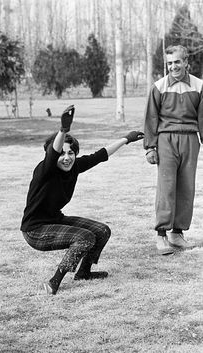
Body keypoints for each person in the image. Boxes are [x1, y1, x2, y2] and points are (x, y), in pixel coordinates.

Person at [20, 105, 144, 294]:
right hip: (35, 230)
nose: (66, 158)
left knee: (102, 231)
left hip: (55, 220)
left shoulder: (75, 166)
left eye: (71, 153)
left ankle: (84, 272)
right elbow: (53, 153)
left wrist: (126, 138)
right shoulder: (45, 170)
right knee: (84, 237)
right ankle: (54, 281)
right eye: (62, 153)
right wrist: (63, 130)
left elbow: (100, 155)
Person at [143, 45, 203, 255]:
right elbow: (151, 119)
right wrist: (150, 147)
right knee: (166, 187)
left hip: (190, 139)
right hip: (166, 139)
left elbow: (202, 117)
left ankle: (177, 234)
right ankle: (161, 235)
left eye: (177, 62)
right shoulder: (159, 87)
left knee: (186, 187)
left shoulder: (199, 85)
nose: (173, 66)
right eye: (169, 63)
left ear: (186, 62)